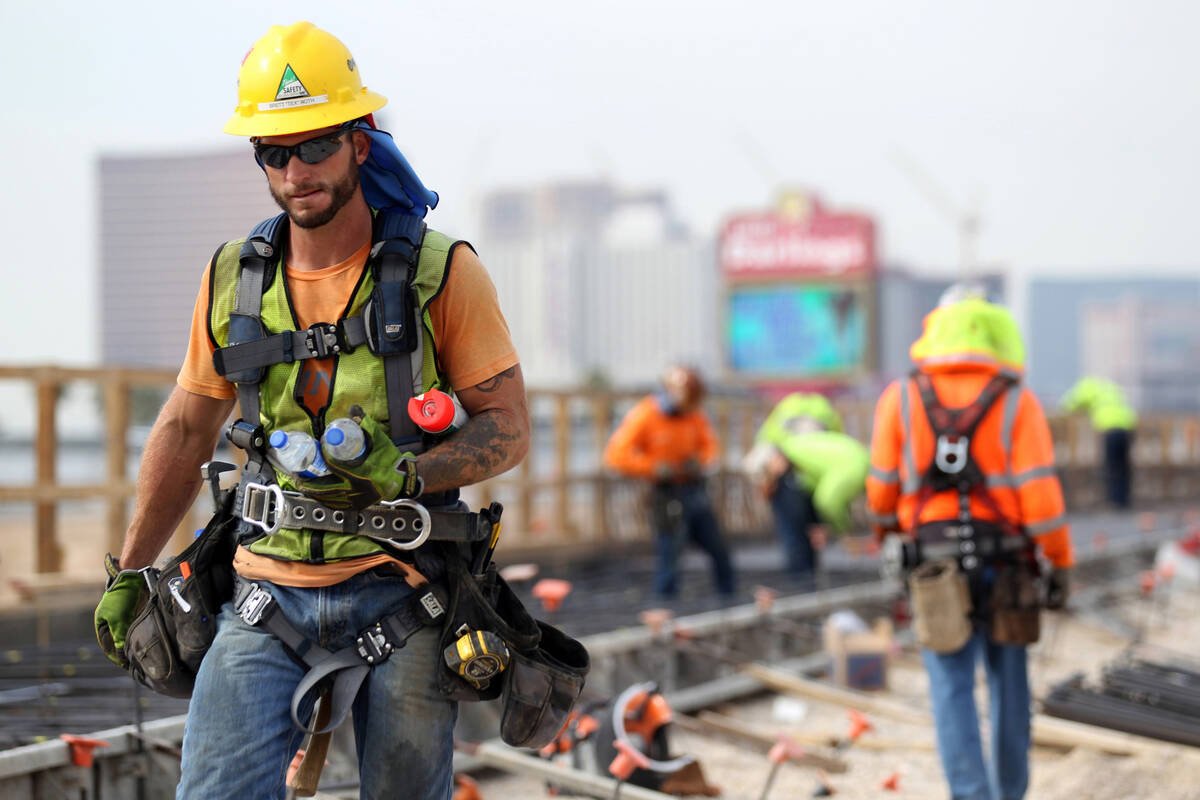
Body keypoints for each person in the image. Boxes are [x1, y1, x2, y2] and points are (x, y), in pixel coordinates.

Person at [92, 22, 530, 799]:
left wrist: (409, 472)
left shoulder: (439, 273)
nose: (296, 170)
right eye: (274, 152)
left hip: (405, 586)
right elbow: (187, 425)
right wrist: (132, 570)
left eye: (316, 145)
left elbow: (507, 427)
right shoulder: (237, 278)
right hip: (263, 592)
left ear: (361, 143)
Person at [866, 297, 1073, 800]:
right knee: (1010, 687)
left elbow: (880, 490)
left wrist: (888, 535)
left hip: (934, 566)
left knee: (951, 687)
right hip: (1008, 566)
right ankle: (1010, 792)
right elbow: (1041, 499)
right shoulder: (1017, 400)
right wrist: (1060, 560)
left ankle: (970, 794)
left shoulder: (901, 397)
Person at [603, 365, 736, 601]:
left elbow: (710, 446)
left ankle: (729, 596)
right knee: (670, 553)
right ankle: (666, 602)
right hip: (666, 493)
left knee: (718, 548)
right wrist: (653, 467)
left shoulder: (694, 415)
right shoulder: (646, 414)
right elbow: (617, 455)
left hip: (695, 489)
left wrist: (699, 461)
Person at [747, 393, 868, 587]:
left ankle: (802, 587)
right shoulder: (825, 408)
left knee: (795, 541)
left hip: (790, 480)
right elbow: (835, 442)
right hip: (812, 480)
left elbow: (766, 442)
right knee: (812, 539)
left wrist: (768, 480)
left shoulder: (786, 408)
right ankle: (810, 585)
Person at [1061, 377, 1138, 508]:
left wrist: (1066, 412)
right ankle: (1124, 501)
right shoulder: (1111, 389)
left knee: (1112, 467)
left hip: (1110, 431)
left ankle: (1115, 500)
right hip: (1127, 429)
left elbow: (1070, 403)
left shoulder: (1088, 389)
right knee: (1124, 467)